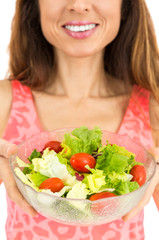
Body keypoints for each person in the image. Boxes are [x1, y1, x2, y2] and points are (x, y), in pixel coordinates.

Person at [0, 0, 159, 239]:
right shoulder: (6, 100)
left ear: (125, 6)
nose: (79, 4)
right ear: (35, 5)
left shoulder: (152, 106)